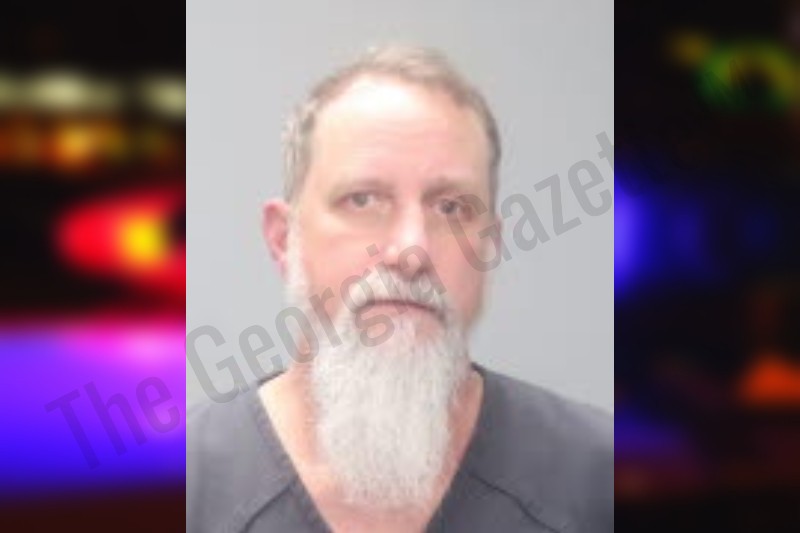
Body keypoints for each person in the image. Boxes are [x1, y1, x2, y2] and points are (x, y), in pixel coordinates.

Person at [187, 44, 613, 533]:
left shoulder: (597, 478)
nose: (411, 250)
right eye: (363, 200)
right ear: (284, 239)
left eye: (451, 208)